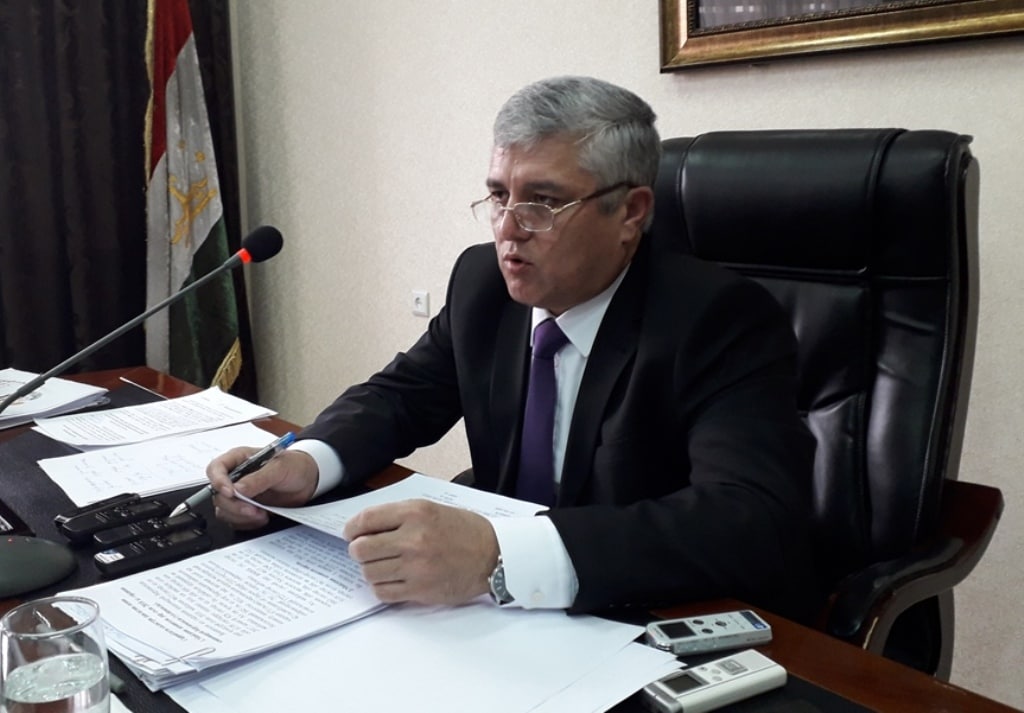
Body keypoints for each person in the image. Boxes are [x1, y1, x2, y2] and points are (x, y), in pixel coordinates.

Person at [207, 76, 819, 622]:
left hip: (643, 616)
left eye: (544, 202)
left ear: (631, 213)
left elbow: (749, 519)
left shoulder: (718, 320)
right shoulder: (483, 285)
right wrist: (308, 463)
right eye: (500, 195)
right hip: (495, 622)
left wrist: (497, 554)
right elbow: (402, 396)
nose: (507, 228)